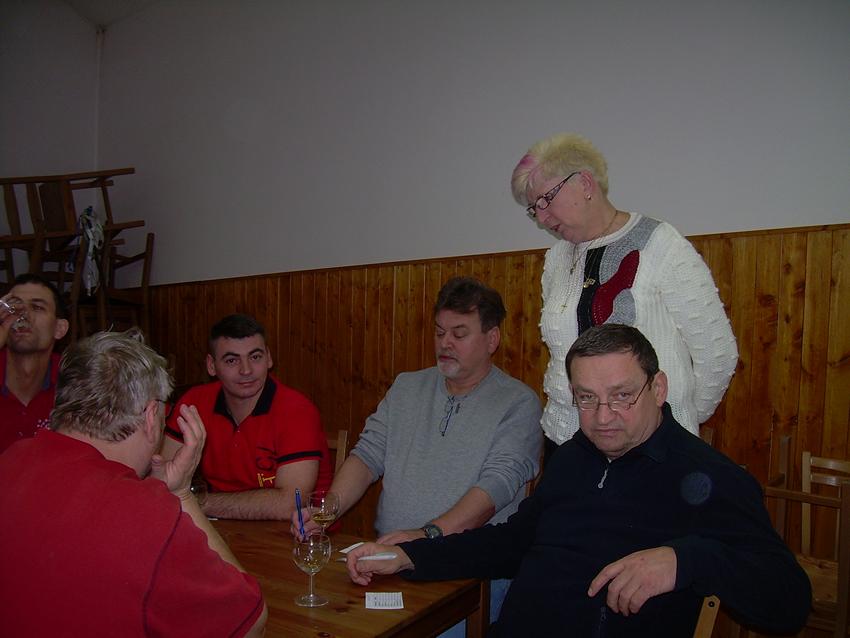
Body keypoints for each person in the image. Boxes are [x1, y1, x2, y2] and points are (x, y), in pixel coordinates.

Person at [345, 324, 811, 637]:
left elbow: (789, 602)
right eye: (586, 398)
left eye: (622, 396)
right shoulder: (572, 458)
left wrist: (686, 559)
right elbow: (511, 542)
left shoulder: (709, 476)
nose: (603, 417)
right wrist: (411, 554)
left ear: (658, 389)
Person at [294, 277, 543, 633]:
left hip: (467, 576)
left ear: (492, 339)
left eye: (459, 334)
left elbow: (495, 489)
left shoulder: (518, 403)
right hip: (388, 561)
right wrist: (327, 511)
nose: (445, 343)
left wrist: (426, 536)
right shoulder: (406, 387)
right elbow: (366, 456)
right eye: (440, 332)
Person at [0, 329, 267, 636]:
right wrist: (181, 494)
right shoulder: (145, 514)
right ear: (152, 416)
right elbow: (250, 622)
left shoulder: (10, 459)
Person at [510, 133, 738, 452]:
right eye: (534, 209)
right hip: (568, 441)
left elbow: (718, 353)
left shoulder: (661, 244)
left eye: (545, 200)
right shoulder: (556, 260)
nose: (543, 217)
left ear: (585, 183)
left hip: (650, 445)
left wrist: (676, 417)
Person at [162, 313, 332, 520]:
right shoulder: (194, 402)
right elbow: (163, 476)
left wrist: (198, 502)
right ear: (211, 365)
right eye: (232, 360)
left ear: (269, 358)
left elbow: (290, 504)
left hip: (296, 532)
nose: (246, 370)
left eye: (255, 357)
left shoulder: (297, 410)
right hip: (220, 525)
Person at [0, 273, 69, 454]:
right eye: (14, 307)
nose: (22, 315)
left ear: (59, 328)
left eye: (37, 307)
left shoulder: (74, 381)